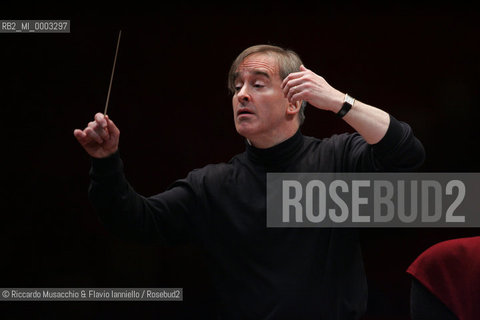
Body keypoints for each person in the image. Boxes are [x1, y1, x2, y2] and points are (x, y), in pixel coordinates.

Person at [74, 44, 425, 319]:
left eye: (257, 84)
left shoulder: (337, 159)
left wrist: (338, 101)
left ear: (294, 103)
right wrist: (106, 162)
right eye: (237, 86)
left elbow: (406, 151)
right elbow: (134, 220)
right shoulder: (213, 185)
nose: (241, 94)